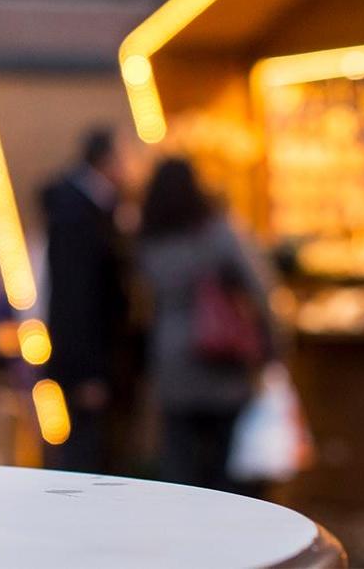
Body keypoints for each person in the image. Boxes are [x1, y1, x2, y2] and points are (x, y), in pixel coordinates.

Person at [136, 156, 275, 492]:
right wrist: (272, 348)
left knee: (180, 461)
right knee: (223, 463)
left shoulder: (148, 241)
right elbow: (260, 288)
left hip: (170, 355)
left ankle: (182, 534)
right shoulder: (217, 234)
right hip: (220, 353)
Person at [41, 126, 132, 474]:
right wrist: (87, 371)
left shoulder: (93, 206)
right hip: (90, 359)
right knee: (87, 453)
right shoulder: (79, 214)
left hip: (94, 357)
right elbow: (76, 296)